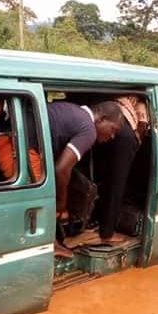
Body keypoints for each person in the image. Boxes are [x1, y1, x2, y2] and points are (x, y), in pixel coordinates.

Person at [47, 101, 124, 257]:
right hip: (16, 148)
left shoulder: (73, 111)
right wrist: (60, 205)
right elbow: (61, 169)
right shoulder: (89, 130)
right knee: (43, 192)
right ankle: (50, 244)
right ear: (101, 119)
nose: (112, 136)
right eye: (113, 129)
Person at [94, 96, 149, 243]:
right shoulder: (140, 104)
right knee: (117, 182)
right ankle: (107, 233)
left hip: (112, 116)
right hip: (124, 130)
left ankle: (99, 221)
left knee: (107, 178)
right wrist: (138, 139)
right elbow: (142, 125)